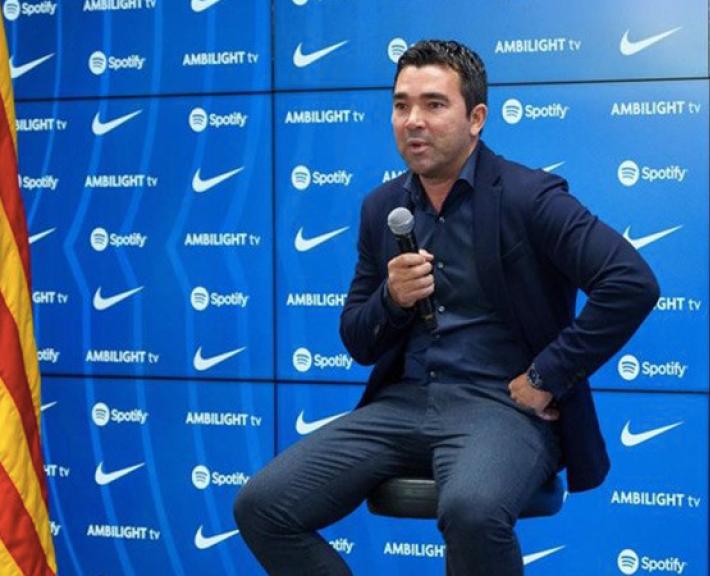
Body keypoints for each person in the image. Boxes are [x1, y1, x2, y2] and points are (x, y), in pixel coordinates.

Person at [234, 39, 659, 575]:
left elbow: (631, 282)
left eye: (434, 104)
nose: (413, 120)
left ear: (476, 117)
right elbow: (357, 341)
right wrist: (391, 300)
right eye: (401, 104)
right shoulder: (382, 208)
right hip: (403, 404)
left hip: (501, 407)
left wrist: (547, 375)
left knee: (473, 510)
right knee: (262, 505)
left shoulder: (531, 196)